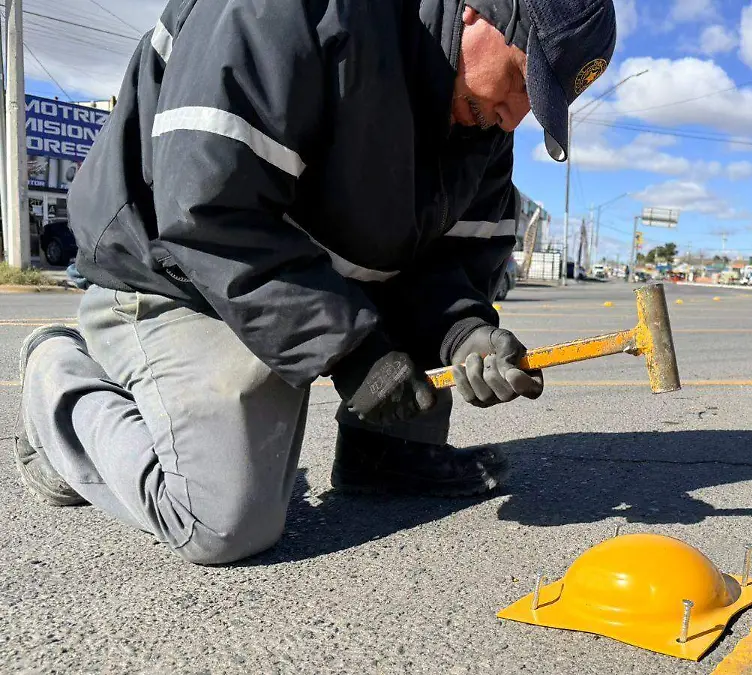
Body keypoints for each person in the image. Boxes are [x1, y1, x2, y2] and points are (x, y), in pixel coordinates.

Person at [14, 0, 617, 565]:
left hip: (285, 284)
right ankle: (59, 380)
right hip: (174, 271)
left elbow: (451, 263)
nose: (515, 115)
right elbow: (209, 212)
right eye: (519, 79)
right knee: (223, 519)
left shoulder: (480, 124)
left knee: (408, 344)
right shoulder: (295, 12)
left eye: (535, 103)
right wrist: (351, 351)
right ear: (477, 15)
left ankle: (384, 456)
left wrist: (464, 329)